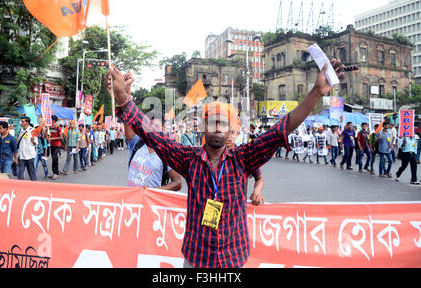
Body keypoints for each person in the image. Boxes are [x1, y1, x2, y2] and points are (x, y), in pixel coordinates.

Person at [106, 58, 345, 268]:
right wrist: (122, 97)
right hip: (196, 257)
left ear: (231, 128)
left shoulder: (243, 159)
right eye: (212, 122)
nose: (217, 128)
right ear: (203, 127)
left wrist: (316, 92)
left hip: (233, 256)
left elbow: (279, 130)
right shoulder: (189, 160)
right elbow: (153, 136)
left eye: (223, 123)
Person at [17, 116, 37, 181]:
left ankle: (35, 186)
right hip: (21, 155)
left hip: (30, 155)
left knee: (32, 173)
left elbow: (36, 143)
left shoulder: (33, 130)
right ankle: (20, 187)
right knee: (20, 173)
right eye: (21, 121)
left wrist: (33, 141)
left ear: (27, 122)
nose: (21, 123)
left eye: (23, 121)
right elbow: (19, 141)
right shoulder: (21, 130)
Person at [48, 115, 62, 180]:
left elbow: (61, 137)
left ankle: (56, 173)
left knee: (55, 158)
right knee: (53, 159)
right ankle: (55, 172)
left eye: (50, 119)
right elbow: (47, 136)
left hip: (57, 145)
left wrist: (52, 138)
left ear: (53, 120)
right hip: (52, 145)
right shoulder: (49, 128)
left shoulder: (58, 128)